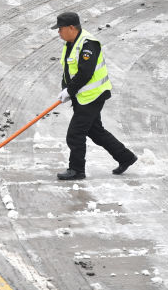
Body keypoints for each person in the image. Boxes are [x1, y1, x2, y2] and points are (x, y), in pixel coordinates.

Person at [51, 12, 136, 180]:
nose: (58, 32)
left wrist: (70, 90)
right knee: (95, 131)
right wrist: (66, 90)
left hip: (93, 95)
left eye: (60, 29)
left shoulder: (88, 44)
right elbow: (69, 70)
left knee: (75, 134)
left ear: (71, 28)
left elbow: (85, 73)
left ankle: (76, 170)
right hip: (83, 96)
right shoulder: (70, 44)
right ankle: (125, 157)